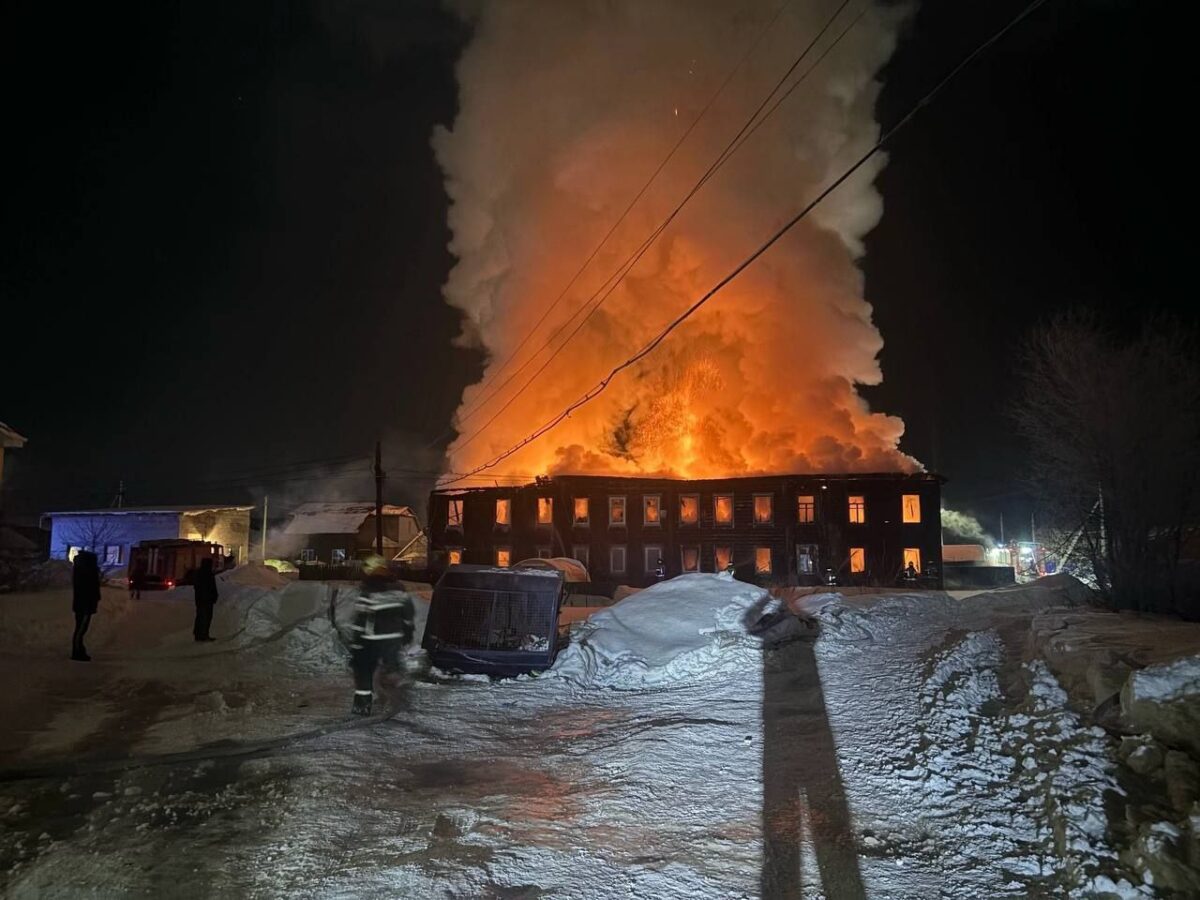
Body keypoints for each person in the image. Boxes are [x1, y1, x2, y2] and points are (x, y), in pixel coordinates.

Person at [347, 555, 415, 716]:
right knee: (391, 668)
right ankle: (398, 701)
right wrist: (407, 632)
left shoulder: (368, 590)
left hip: (372, 639)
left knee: (363, 669)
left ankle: (362, 706)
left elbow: (361, 619)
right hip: (393, 638)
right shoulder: (399, 588)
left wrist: (356, 643)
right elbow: (408, 613)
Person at [71, 550, 101, 661]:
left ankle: (79, 650)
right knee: (81, 629)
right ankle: (77, 652)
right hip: (85, 604)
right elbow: (90, 588)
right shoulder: (86, 571)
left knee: (80, 628)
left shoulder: (82, 569)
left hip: (83, 603)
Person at [193, 557, 218, 642]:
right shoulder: (208, 574)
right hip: (207, 600)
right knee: (206, 617)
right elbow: (211, 587)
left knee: (200, 616)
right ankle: (204, 635)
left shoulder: (199, 573)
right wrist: (214, 596)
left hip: (200, 599)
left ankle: (198, 634)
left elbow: (196, 587)